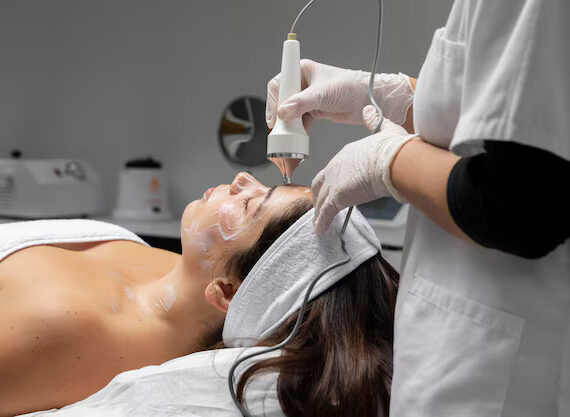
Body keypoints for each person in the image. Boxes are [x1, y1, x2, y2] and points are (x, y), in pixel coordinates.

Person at [266, 0, 570, 415]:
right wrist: (399, 98)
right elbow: (503, 117)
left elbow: (524, 205)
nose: (243, 181)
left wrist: (390, 162)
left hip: (503, 373)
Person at [0, 172, 398, 417]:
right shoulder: (167, 268)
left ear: (225, 292)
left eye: (248, 205)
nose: (242, 178)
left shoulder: (66, 330)